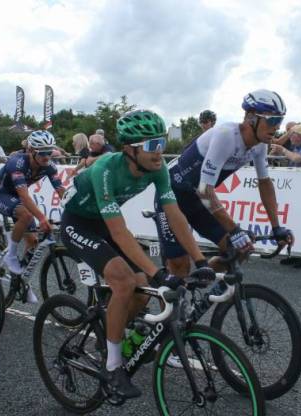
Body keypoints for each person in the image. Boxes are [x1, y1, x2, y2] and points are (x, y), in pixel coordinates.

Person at [60, 109, 213, 398]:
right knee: (125, 281)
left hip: (105, 225)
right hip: (78, 224)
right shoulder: (106, 168)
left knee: (142, 292)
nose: (160, 152)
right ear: (130, 149)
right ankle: (113, 366)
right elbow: (119, 233)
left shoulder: (158, 169)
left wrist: (200, 260)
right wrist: (160, 274)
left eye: (163, 143)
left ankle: (111, 329)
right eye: (153, 146)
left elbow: (175, 214)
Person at [156, 89, 294, 279]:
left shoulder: (260, 145)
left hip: (197, 202)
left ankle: (199, 283)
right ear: (251, 118)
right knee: (180, 266)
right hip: (171, 198)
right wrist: (235, 229)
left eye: (279, 121)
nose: (276, 127)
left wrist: (276, 227)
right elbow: (205, 191)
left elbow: (265, 184)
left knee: (240, 249)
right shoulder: (226, 135)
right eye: (272, 120)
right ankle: (172, 298)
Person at [0, 130, 65, 277]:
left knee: (33, 241)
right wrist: (42, 218)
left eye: (49, 151)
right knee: (27, 215)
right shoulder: (18, 162)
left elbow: (61, 191)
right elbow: (24, 195)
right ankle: (11, 255)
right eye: (42, 153)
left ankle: (19, 279)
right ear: (31, 151)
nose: (47, 157)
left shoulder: (49, 166)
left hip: (16, 198)